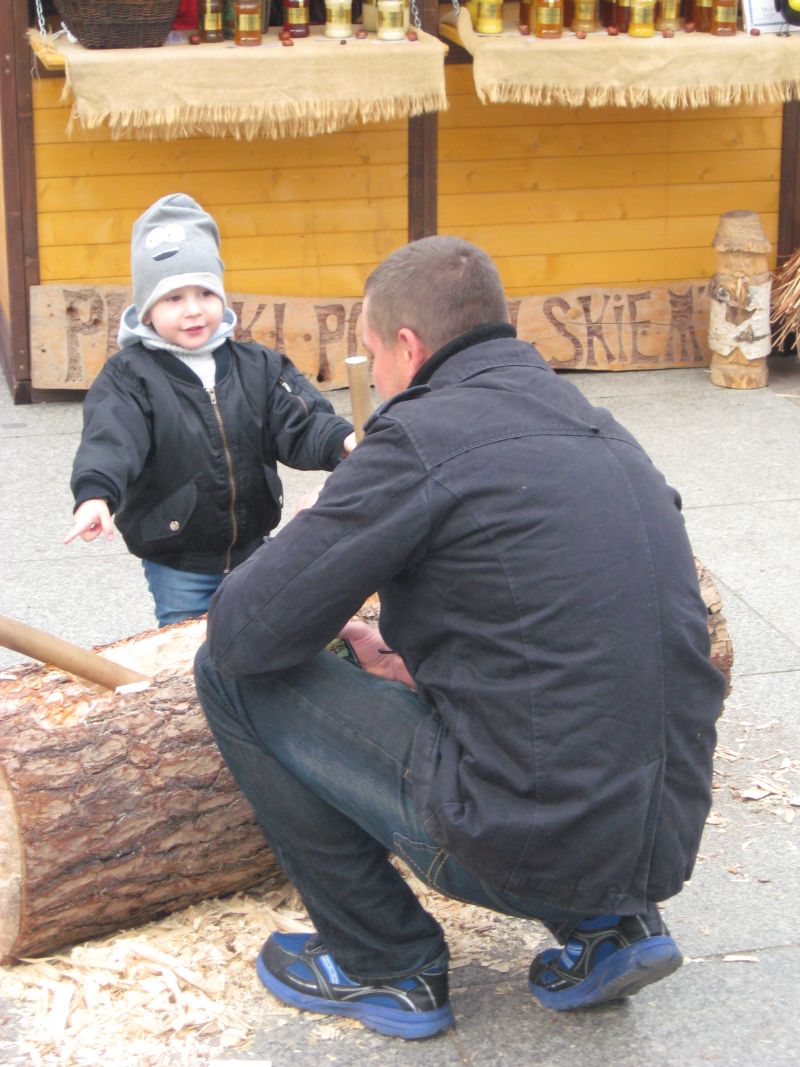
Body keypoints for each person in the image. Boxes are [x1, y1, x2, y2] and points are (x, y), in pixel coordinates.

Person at [194, 236, 726, 1041]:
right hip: (658, 837)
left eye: (372, 358)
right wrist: (413, 662)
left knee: (228, 674)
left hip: (516, 837)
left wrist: (308, 540)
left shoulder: (419, 436)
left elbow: (244, 630)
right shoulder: (599, 427)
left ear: (406, 347)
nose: (376, 379)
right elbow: (550, 622)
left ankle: (384, 961)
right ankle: (610, 926)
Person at [65, 193, 354, 627]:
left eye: (205, 292)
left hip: (255, 549)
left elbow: (302, 421)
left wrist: (341, 441)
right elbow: (111, 440)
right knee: (187, 656)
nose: (194, 309)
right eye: (173, 298)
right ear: (146, 310)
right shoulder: (130, 377)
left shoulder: (258, 366)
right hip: (176, 561)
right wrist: (95, 494)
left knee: (261, 634)